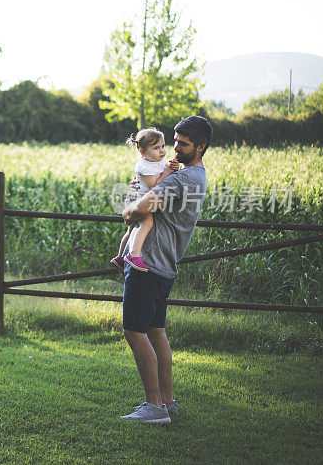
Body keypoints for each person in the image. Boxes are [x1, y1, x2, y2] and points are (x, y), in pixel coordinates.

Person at [118, 115, 212, 424]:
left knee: (133, 330)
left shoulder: (181, 179)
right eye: (174, 141)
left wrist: (129, 206)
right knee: (156, 332)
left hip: (148, 262)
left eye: (182, 144)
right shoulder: (196, 176)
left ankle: (154, 407)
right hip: (165, 265)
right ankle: (167, 402)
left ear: (201, 147)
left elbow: (139, 209)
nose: (174, 148)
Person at [110, 128, 180, 274]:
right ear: (142, 152)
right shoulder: (143, 166)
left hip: (142, 200)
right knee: (147, 223)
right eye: (156, 148)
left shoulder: (158, 161)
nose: (162, 151)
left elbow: (167, 172)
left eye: (162, 146)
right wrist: (168, 172)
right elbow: (154, 185)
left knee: (131, 231)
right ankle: (133, 256)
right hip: (138, 201)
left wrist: (173, 167)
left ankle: (119, 257)